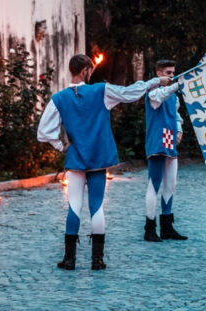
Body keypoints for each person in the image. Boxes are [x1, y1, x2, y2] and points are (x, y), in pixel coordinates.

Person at [37, 54, 170, 271]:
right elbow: (129, 93)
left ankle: (69, 259)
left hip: (76, 158)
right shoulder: (101, 90)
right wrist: (155, 82)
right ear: (86, 70)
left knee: (74, 206)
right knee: (97, 207)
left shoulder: (59, 98)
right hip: (98, 157)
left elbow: (44, 132)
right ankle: (97, 260)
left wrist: (62, 146)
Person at [143, 59, 187, 242]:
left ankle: (167, 226)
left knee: (170, 184)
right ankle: (150, 228)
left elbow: (176, 115)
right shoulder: (153, 90)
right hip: (157, 139)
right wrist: (176, 85)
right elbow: (159, 98)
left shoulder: (173, 96)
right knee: (154, 184)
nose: (172, 75)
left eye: (173, 72)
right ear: (159, 73)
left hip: (169, 139)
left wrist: (179, 130)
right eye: (168, 72)